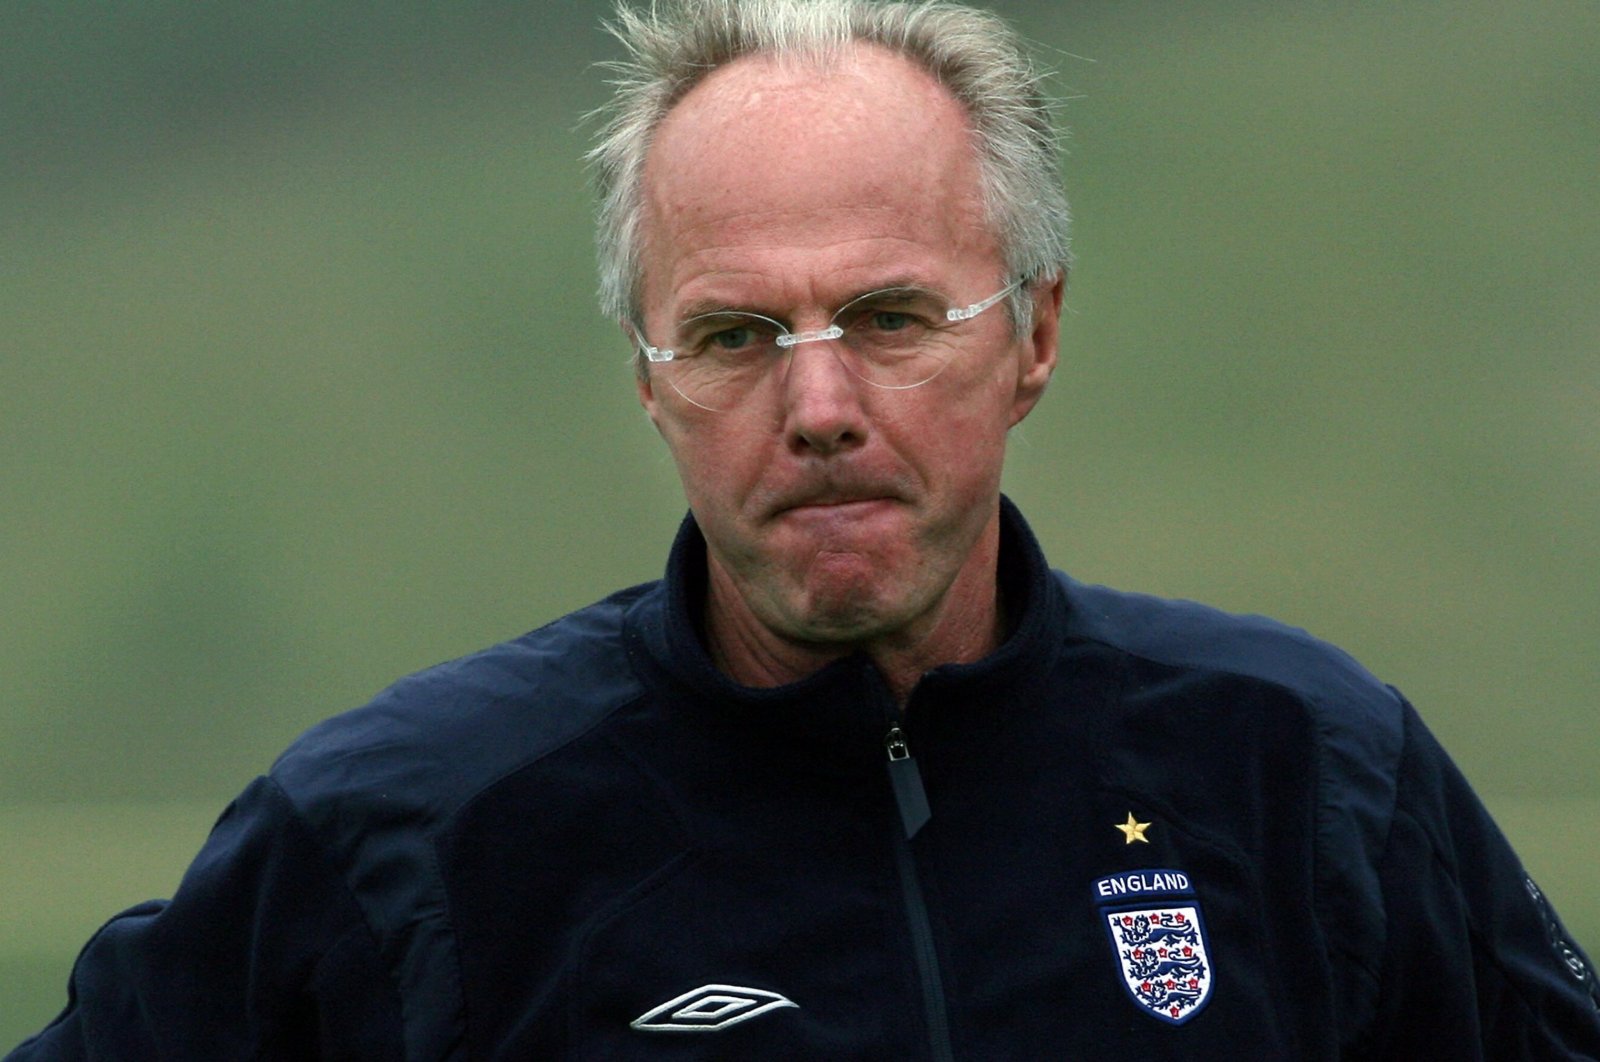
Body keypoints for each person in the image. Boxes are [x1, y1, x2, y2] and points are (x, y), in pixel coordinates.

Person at [10, 0, 1599, 1058]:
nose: (822, 401)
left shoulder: (1305, 769)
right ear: (648, 376)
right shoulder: (404, 834)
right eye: (733, 334)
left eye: (894, 315)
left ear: (1033, 333)